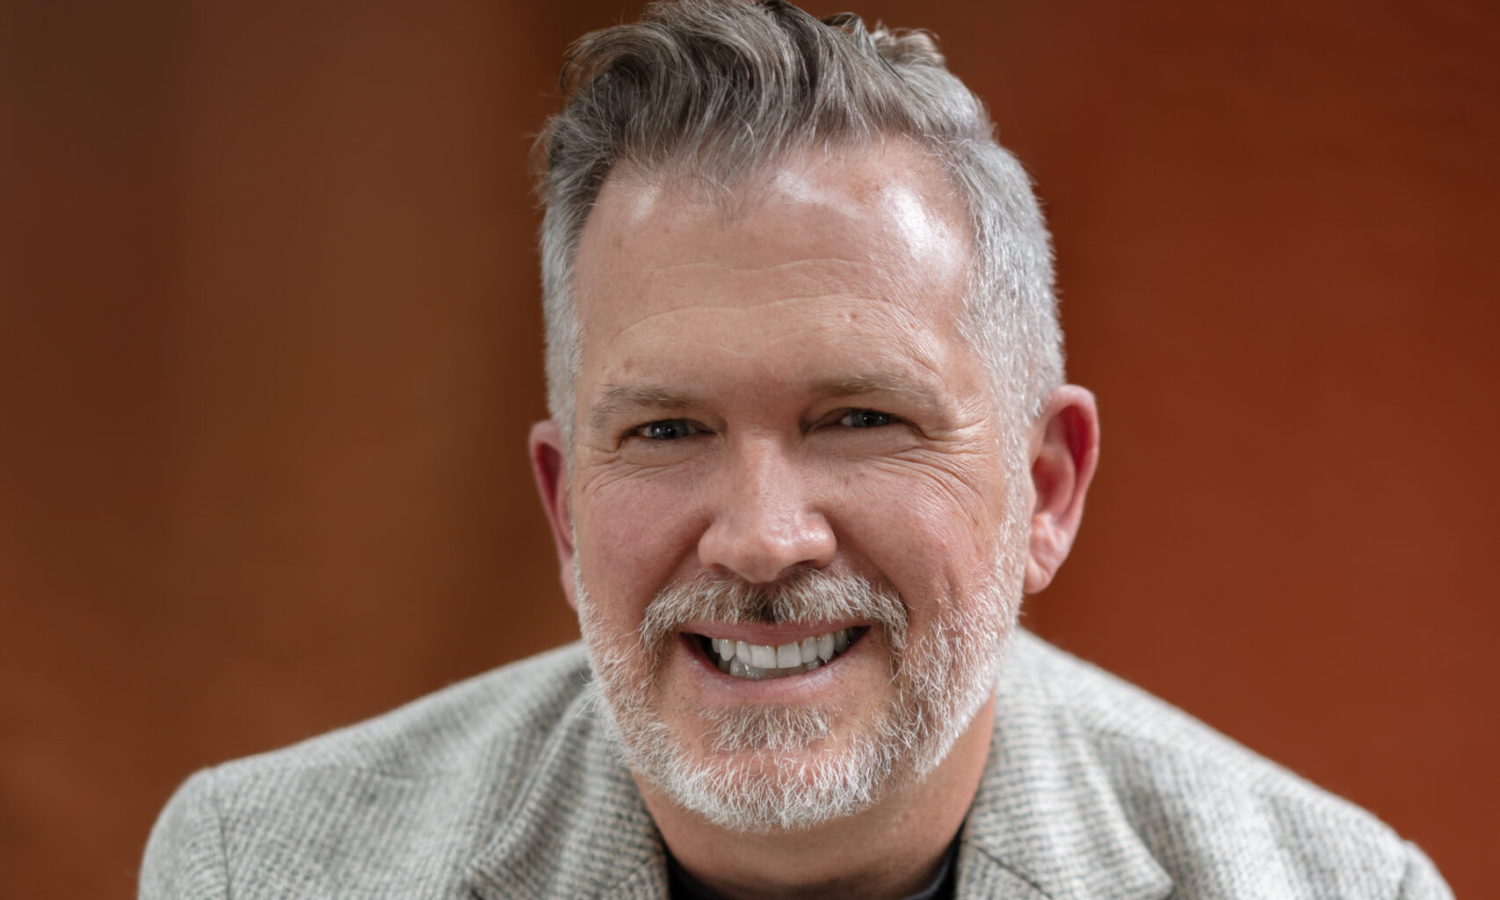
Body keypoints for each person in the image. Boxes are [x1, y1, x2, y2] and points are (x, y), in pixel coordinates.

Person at [140, 2, 1452, 897]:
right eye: (667, 430)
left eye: (861, 420)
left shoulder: (1339, 887)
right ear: (564, 507)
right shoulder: (255, 870)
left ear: (1046, 488)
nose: (763, 539)